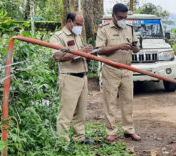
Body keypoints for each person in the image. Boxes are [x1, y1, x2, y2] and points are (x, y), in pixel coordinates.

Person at [95, 3, 141, 142]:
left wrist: (134, 48)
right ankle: (111, 131)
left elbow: (137, 47)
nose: (123, 20)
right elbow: (99, 50)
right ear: (113, 16)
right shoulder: (104, 30)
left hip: (127, 69)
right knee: (110, 101)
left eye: (125, 17)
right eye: (120, 17)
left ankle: (129, 130)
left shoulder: (129, 29)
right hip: (111, 69)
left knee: (128, 101)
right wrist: (118, 46)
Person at [49, 12, 93, 146]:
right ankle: (63, 142)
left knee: (81, 111)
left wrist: (88, 54)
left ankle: (80, 136)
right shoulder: (58, 37)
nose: (80, 27)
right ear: (69, 21)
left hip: (82, 76)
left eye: (81, 25)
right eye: (78, 24)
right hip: (69, 77)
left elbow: (80, 55)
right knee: (66, 112)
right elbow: (57, 55)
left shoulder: (78, 36)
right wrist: (80, 53)